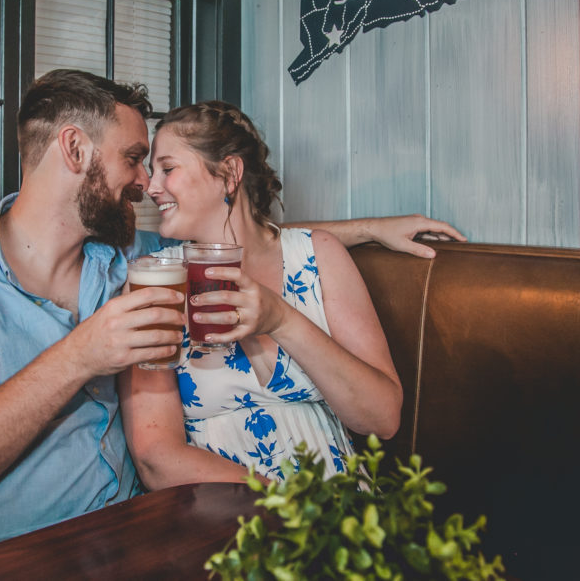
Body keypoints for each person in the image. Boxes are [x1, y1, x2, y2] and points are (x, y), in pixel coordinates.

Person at [0, 70, 464, 573]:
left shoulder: (130, 258)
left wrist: (369, 231)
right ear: (75, 151)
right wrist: (82, 354)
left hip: (125, 542)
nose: (144, 184)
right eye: (134, 160)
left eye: (156, 166)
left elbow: (247, 237)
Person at [119, 101, 403, 487]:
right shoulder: (156, 280)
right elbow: (156, 458)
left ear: (229, 172)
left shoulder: (318, 256)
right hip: (224, 514)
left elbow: (383, 419)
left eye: (167, 169)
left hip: (340, 512)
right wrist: (289, 508)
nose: (152, 187)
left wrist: (284, 320)